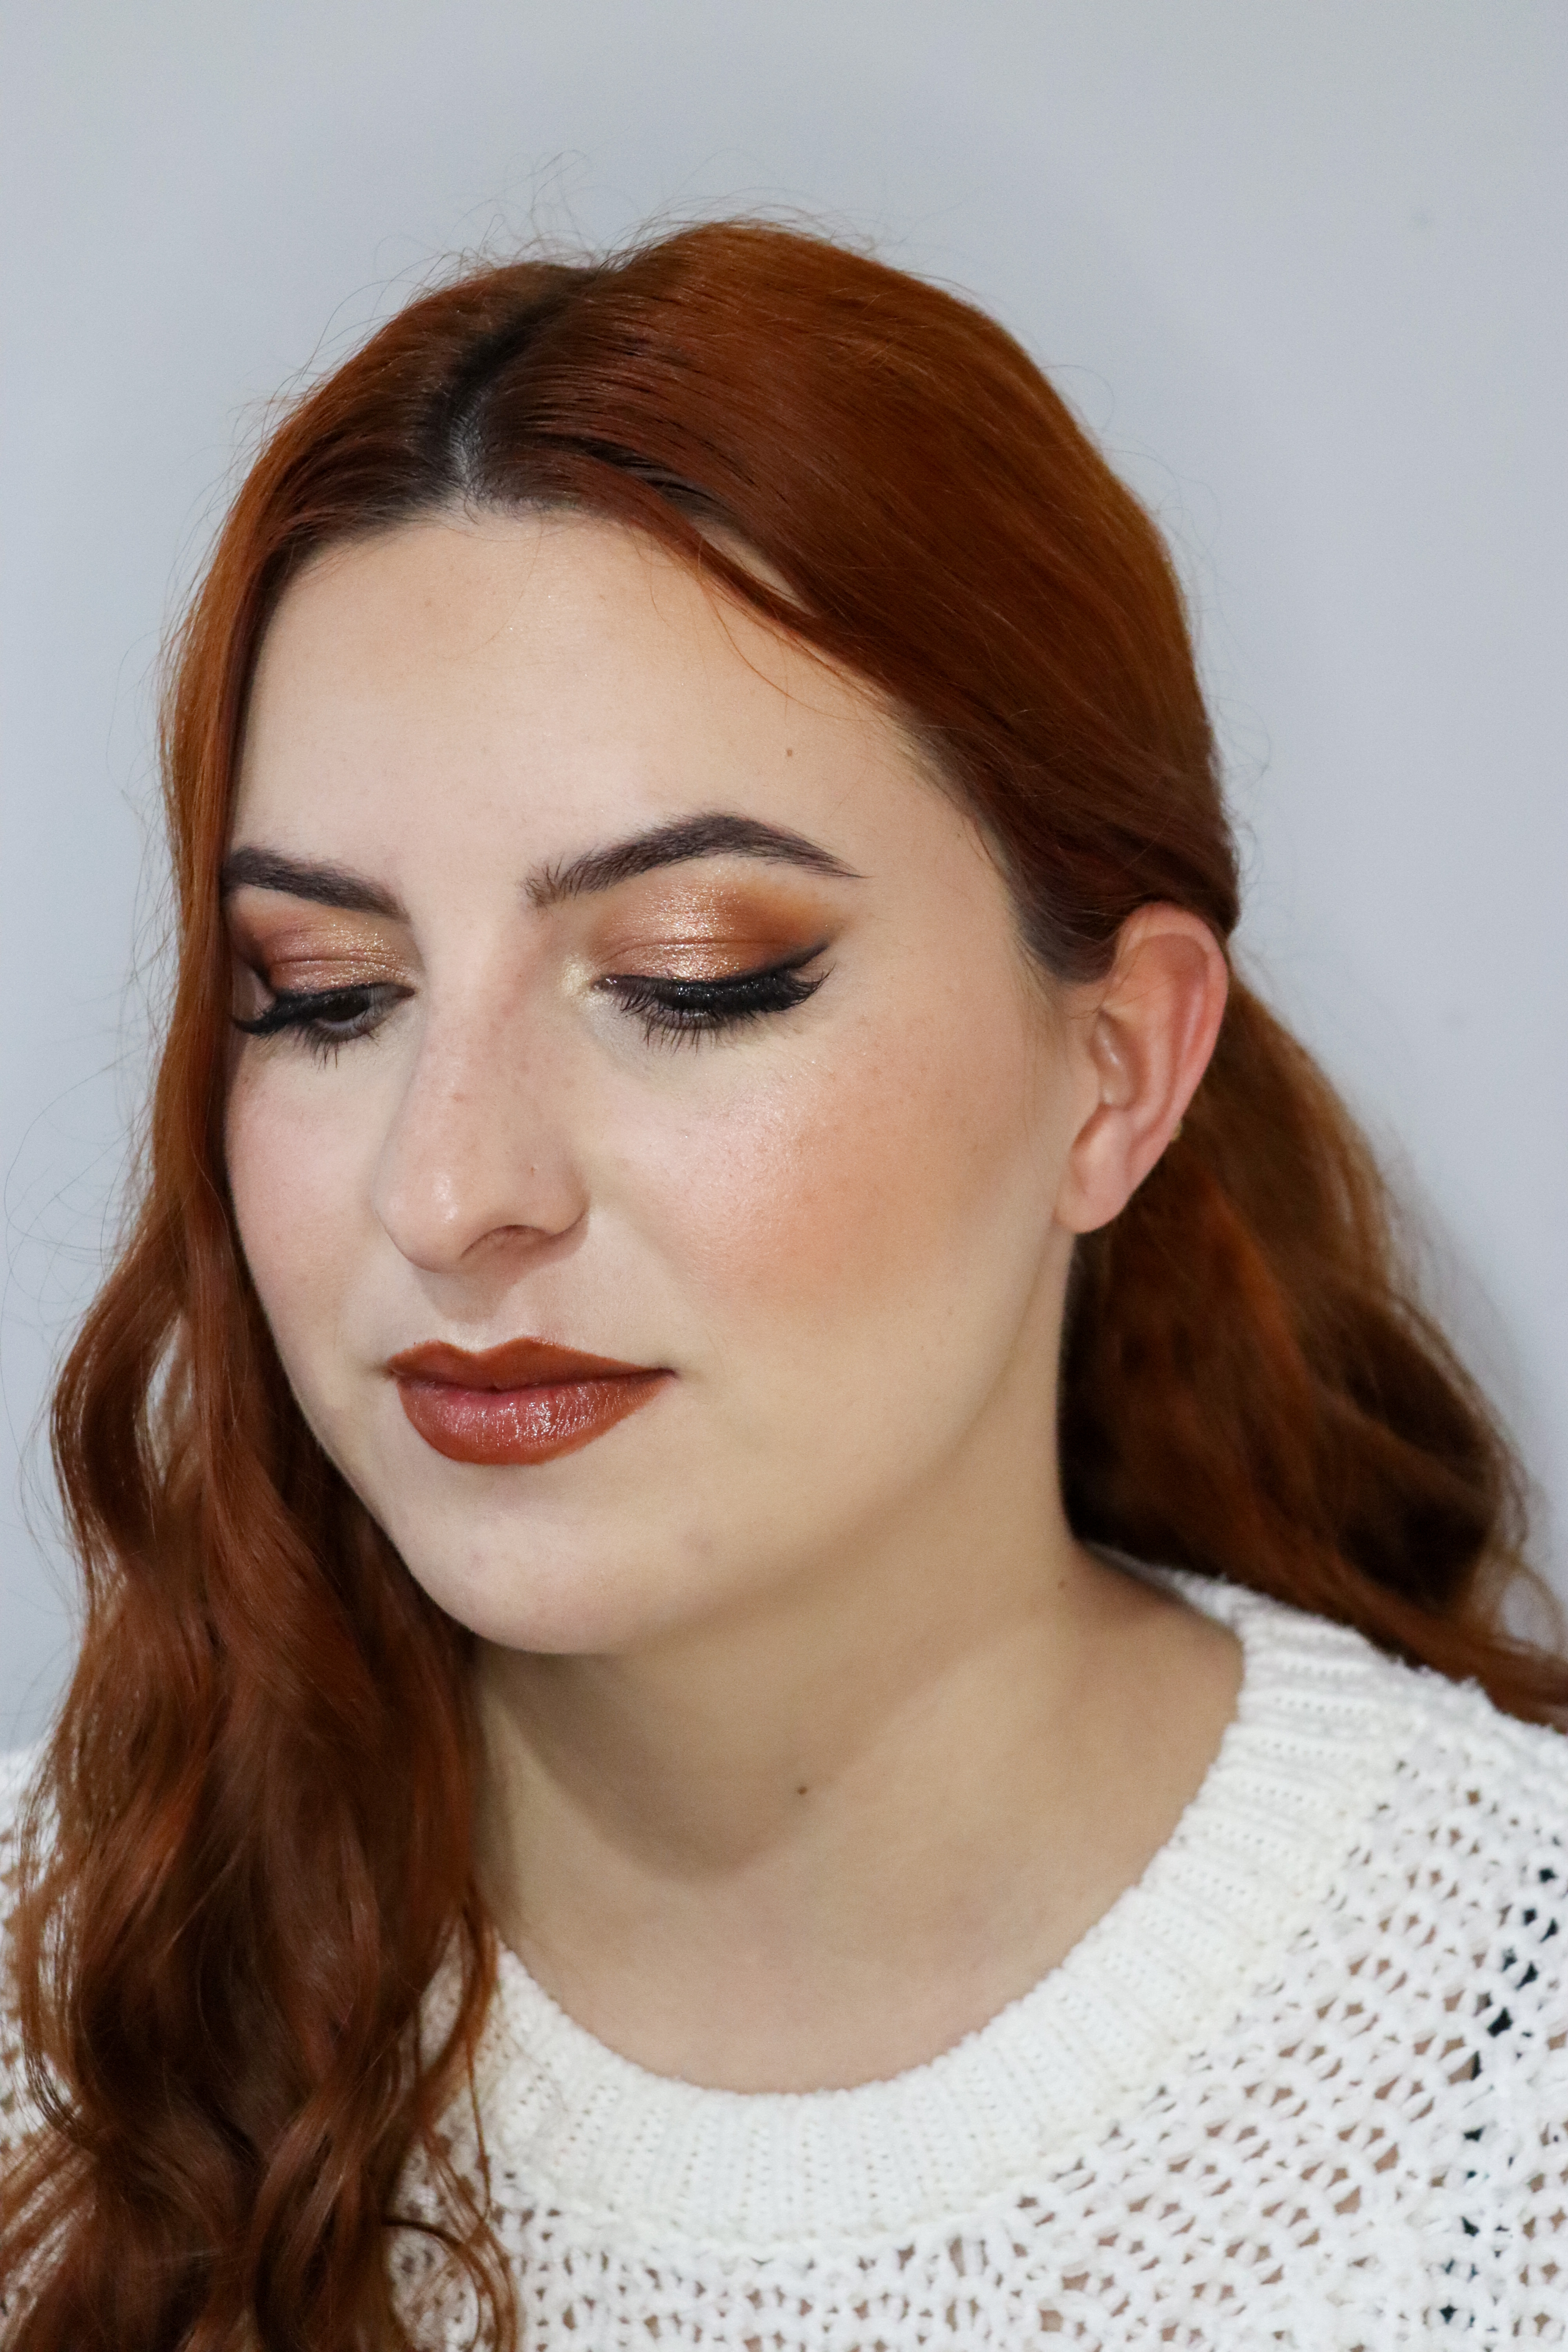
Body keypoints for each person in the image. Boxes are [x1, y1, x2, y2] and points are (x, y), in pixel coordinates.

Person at [1, 218, 1564, 2350]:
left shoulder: (1514, 2072)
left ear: (1118, 1070)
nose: (449, 1190)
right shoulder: (64, 2012)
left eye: (692, 979)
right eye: (327, 994)